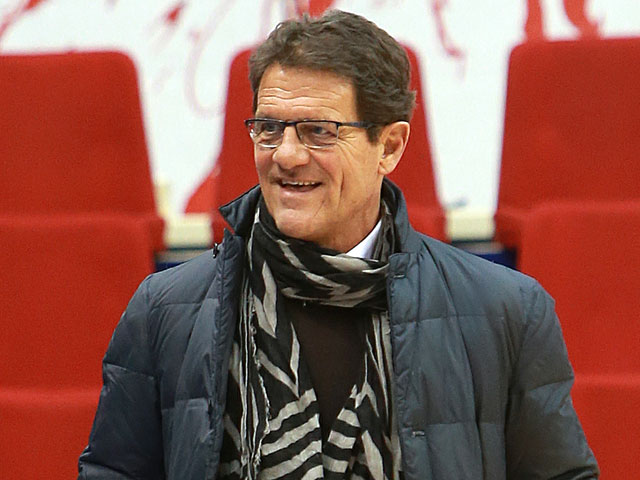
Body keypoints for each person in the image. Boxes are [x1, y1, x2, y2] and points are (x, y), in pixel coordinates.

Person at [78, 9, 598, 480]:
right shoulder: (164, 311)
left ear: (389, 146)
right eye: (268, 128)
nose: (286, 155)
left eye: (318, 132)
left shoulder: (505, 311)